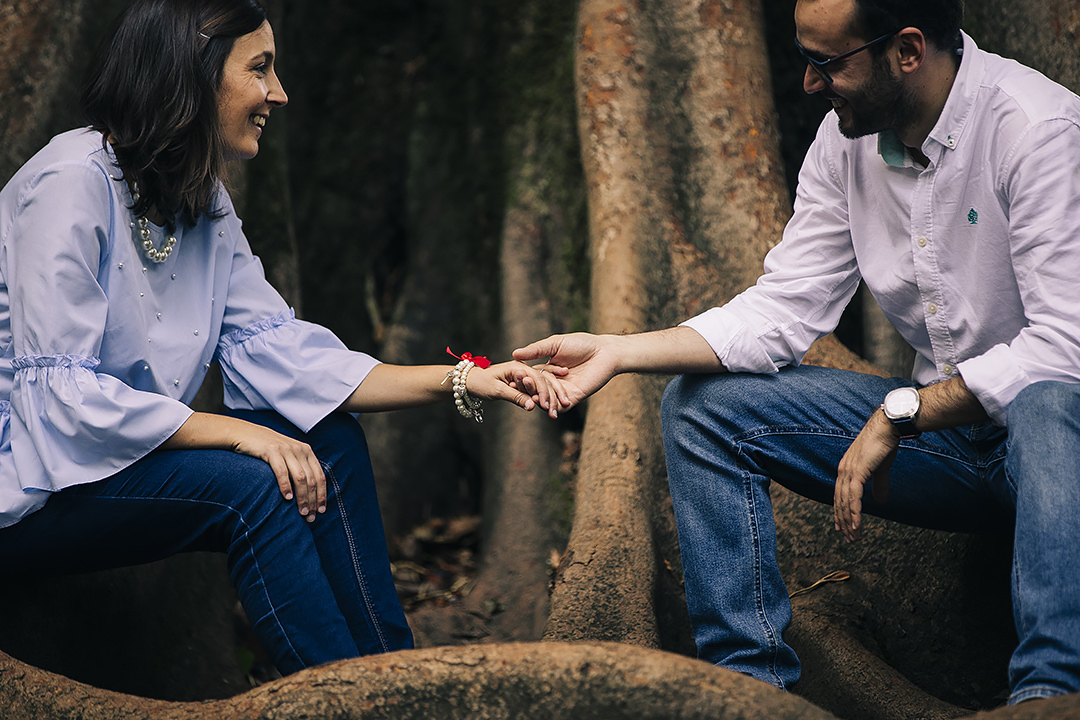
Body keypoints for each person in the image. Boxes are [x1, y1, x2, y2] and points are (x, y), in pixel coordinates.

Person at [517, 0, 1080, 705]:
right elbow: (782, 310)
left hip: (1055, 450)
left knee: (1052, 403)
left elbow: (1065, 347)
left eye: (827, 63)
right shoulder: (845, 144)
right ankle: (753, 694)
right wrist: (621, 351)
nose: (810, 85)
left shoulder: (1037, 129)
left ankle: (1052, 697)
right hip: (955, 448)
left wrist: (901, 413)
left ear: (907, 50)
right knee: (704, 409)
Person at [0, 0, 559, 677]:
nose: (278, 93)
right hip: (28, 484)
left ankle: (396, 679)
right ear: (193, 75)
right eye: (259, 69)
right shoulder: (71, 183)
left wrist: (466, 380)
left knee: (330, 438)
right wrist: (240, 433)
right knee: (254, 485)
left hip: (108, 468)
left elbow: (291, 359)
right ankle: (339, 700)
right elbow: (65, 406)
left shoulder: (199, 201)